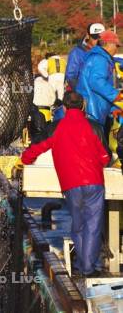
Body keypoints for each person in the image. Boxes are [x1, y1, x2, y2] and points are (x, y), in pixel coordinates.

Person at [17, 91, 111, 276]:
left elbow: (35, 148)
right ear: (83, 106)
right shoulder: (95, 127)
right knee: (92, 225)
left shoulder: (56, 127)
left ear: (65, 108)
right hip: (94, 183)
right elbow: (105, 157)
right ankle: (88, 268)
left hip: (71, 184)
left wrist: (26, 159)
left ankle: (83, 265)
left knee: (78, 224)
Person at [77, 30, 122, 126]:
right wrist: (115, 95)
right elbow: (96, 81)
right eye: (116, 45)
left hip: (94, 109)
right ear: (108, 44)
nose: (116, 49)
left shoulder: (100, 58)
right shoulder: (100, 59)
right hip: (92, 111)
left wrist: (113, 109)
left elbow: (100, 91)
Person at [65, 23, 105, 90]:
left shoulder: (104, 52)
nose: (98, 40)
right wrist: (84, 92)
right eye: (95, 37)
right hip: (84, 95)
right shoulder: (77, 52)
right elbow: (71, 76)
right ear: (88, 35)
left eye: (101, 38)